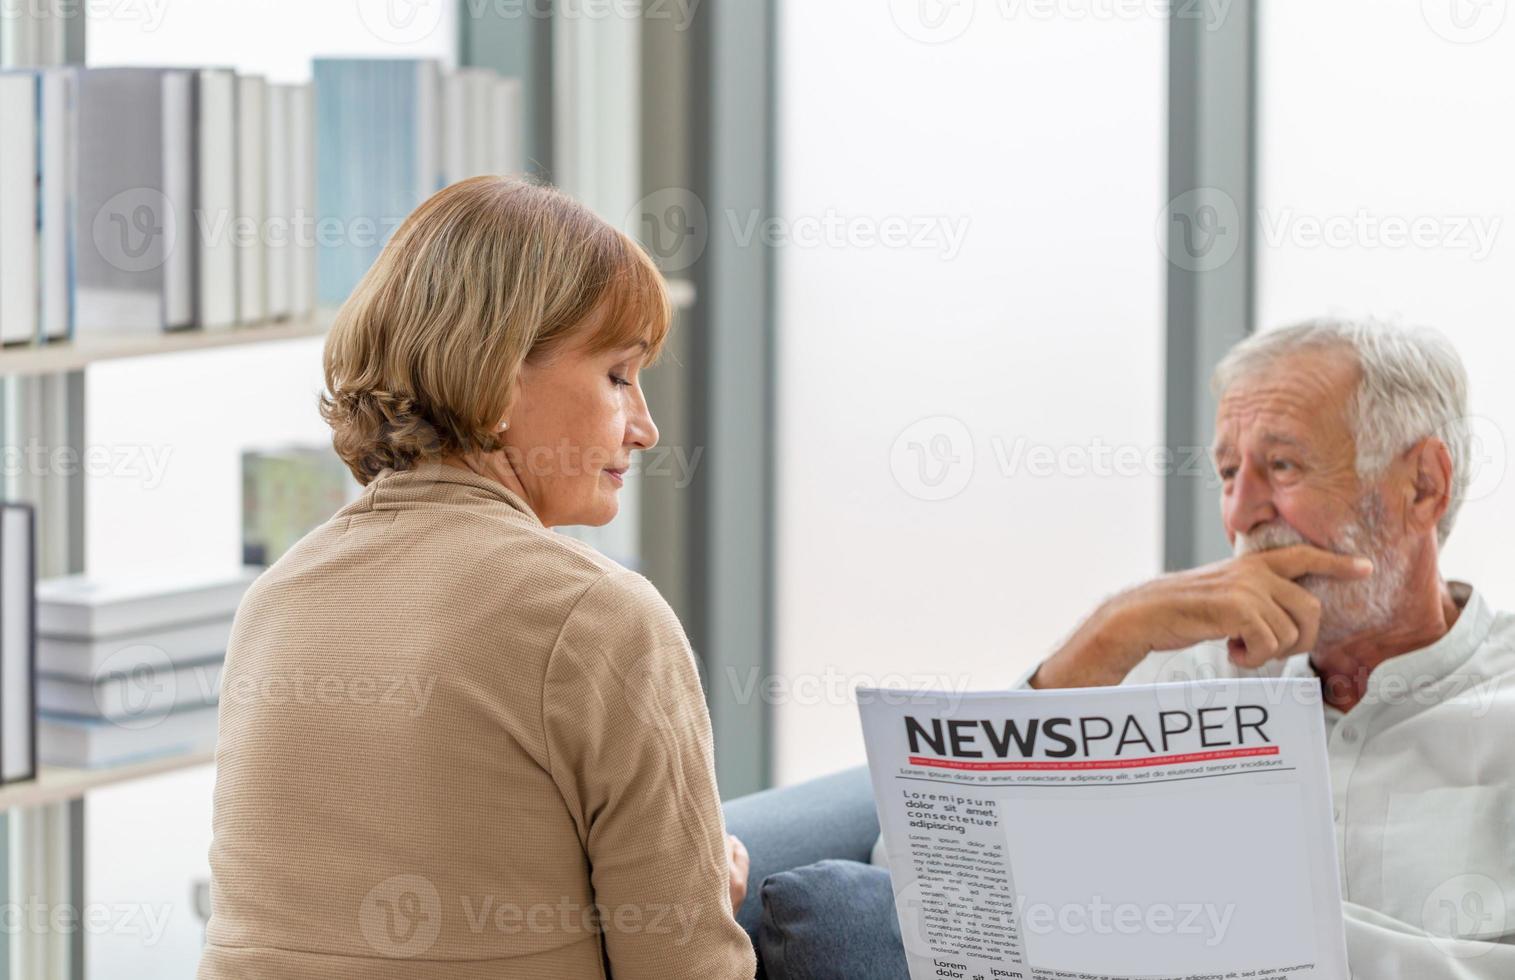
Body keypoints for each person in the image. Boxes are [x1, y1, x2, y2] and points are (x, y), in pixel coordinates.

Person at [199, 176, 756, 979]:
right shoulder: (597, 617)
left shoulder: (278, 597)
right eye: (618, 376)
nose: (645, 427)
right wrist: (698, 898)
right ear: (498, 382)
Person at [1029, 319, 1515, 973]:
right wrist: (1103, 638)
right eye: (1229, 474)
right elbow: (930, 880)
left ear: (1422, 485)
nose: (1239, 513)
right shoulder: (1184, 674)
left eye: (1281, 465)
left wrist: (1231, 925)